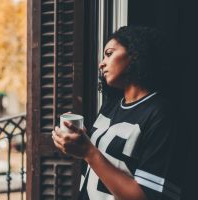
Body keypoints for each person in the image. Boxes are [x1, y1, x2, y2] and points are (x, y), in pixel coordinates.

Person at [52, 26, 186, 200]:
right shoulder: (111, 106)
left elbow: (148, 196)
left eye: (109, 54)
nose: (101, 63)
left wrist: (88, 152)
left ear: (135, 54)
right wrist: (78, 141)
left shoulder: (162, 115)